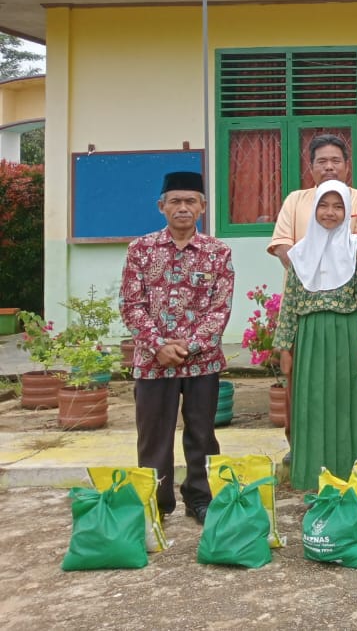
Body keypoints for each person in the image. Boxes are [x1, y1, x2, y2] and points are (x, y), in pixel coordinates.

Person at [120, 171, 234, 523]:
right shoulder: (140, 250)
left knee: (202, 435)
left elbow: (220, 309)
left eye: (190, 201)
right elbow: (130, 304)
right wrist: (158, 346)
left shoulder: (218, 253)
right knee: (154, 437)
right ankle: (157, 503)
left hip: (203, 364)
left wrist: (191, 347)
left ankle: (200, 498)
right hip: (153, 363)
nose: (182, 208)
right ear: (161, 206)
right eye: (175, 201)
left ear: (201, 206)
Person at [276, 181, 357, 491]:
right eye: (324, 205)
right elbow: (290, 302)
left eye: (338, 206)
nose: (330, 212)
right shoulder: (299, 254)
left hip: (346, 338)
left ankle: (352, 478)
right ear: (314, 209)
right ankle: (314, 478)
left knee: (347, 406)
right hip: (309, 340)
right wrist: (285, 348)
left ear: (347, 211)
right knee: (313, 406)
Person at [268, 133, 357, 266]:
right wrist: (308, 276)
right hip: (301, 284)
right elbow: (282, 246)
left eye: (336, 161)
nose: (329, 167)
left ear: (347, 166)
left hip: (347, 285)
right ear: (311, 167)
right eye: (322, 161)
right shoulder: (294, 200)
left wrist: (329, 278)